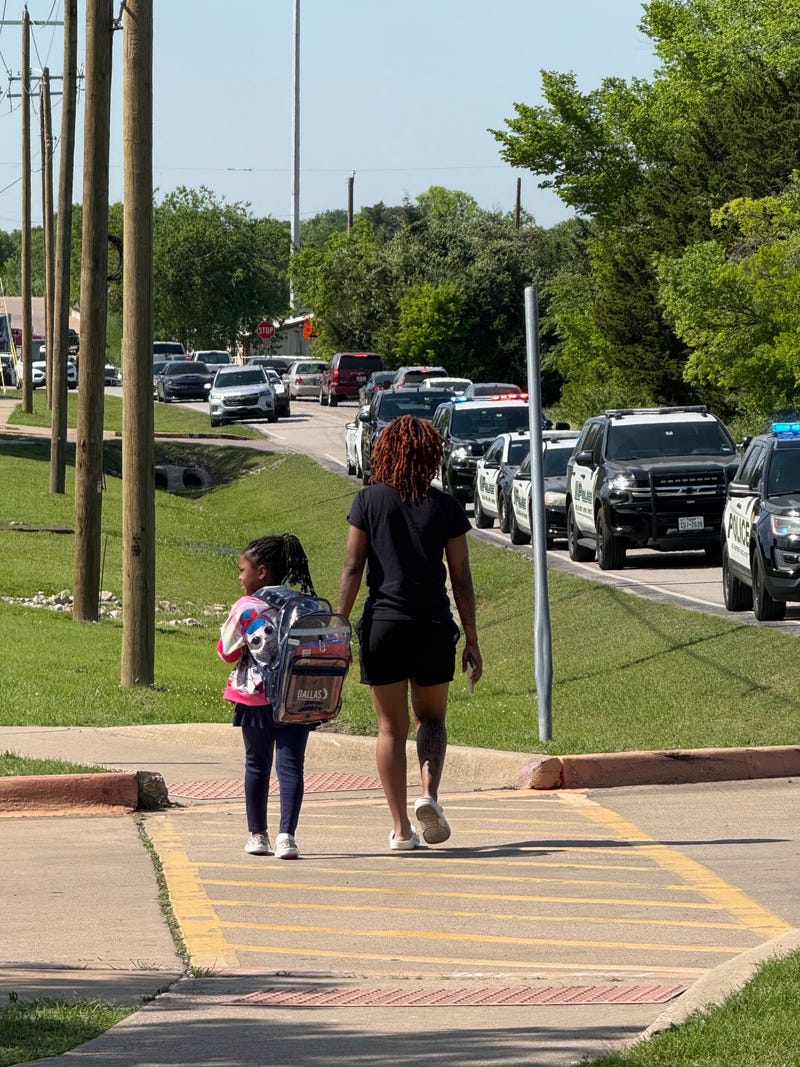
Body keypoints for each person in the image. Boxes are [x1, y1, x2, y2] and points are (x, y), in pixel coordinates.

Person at [337, 414, 483, 851]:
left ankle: (401, 829)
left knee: (389, 729)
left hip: (383, 624)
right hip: (434, 624)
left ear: (385, 453)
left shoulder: (367, 502)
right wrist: (471, 637)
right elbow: (460, 576)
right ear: (431, 456)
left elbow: (352, 567)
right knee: (432, 719)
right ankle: (429, 796)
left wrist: (338, 625)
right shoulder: (445, 507)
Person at [217, 533, 316, 860]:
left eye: (242, 569)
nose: (239, 576)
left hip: (255, 698)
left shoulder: (246, 608)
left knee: (257, 764)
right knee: (292, 768)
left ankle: (258, 835)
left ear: (262, 571)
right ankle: (287, 836)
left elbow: (227, 652)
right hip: (299, 698)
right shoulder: (305, 605)